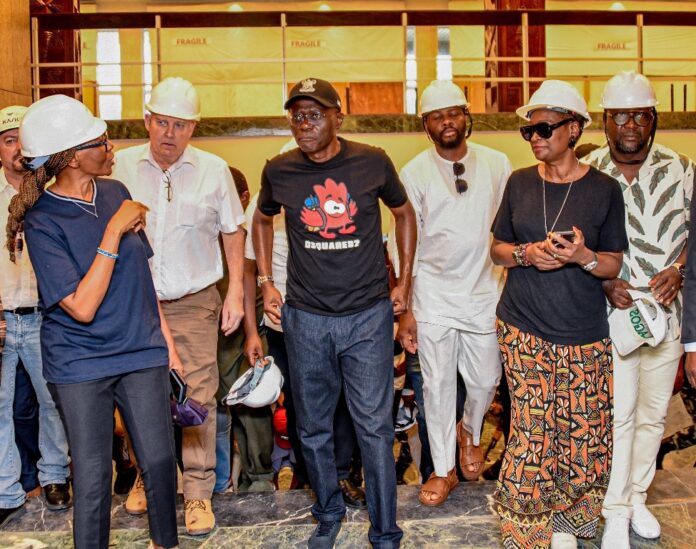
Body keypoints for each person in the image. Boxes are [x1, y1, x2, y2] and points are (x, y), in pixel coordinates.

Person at [5, 95, 179, 549]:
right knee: (94, 474)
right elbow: (81, 306)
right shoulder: (43, 221)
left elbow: (141, 278)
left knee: (160, 462)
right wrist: (114, 230)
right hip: (79, 361)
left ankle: (165, 543)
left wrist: (167, 343)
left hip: (140, 350)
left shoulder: (115, 192)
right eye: (100, 142)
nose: (110, 147)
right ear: (72, 156)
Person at [251, 77, 416, 548]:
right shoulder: (279, 170)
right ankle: (327, 511)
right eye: (297, 116)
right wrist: (266, 281)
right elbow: (261, 219)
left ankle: (385, 530)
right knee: (312, 426)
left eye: (315, 114)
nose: (304, 124)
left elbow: (404, 213)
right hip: (306, 319)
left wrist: (404, 281)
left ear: (338, 118)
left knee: (374, 427)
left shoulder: (372, 161)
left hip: (367, 316)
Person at [490, 80, 628, 549]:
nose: (535, 138)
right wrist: (526, 253)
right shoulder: (519, 183)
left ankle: (568, 525)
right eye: (529, 131)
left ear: (574, 128)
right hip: (523, 325)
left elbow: (612, 263)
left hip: (584, 330)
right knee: (533, 431)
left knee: (582, 434)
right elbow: (497, 249)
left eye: (544, 128)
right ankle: (527, 532)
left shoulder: (604, 190)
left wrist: (582, 256)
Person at [112, 76, 246, 535]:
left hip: (193, 302)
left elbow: (233, 231)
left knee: (198, 396)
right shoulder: (120, 167)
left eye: (181, 125)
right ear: (147, 120)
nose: (170, 133)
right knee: (138, 393)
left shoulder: (214, 170)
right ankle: (149, 477)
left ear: (194, 128)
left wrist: (235, 291)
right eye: (162, 122)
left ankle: (197, 491)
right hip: (133, 302)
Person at [582, 71, 695, 549]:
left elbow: (694, 239)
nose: (630, 125)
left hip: (668, 314)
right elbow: (576, 243)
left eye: (640, 116)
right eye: (620, 116)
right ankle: (613, 511)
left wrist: (680, 269)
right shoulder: (586, 170)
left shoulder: (683, 169)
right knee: (618, 415)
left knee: (653, 416)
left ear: (654, 119)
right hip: (610, 316)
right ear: (605, 120)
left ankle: (637, 498)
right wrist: (605, 279)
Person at [396, 80, 511, 506]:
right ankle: (443, 469)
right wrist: (406, 308)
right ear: (425, 125)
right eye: (436, 116)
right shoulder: (413, 172)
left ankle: (470, 430)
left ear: (467, 116)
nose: (446, 122)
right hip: (433, 295)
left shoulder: (497, 163)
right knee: (438, 385)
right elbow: (404, 244)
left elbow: (510, 226)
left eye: (453, 113)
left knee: (485, 379)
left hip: (485, 291)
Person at [0, 105, 72, 528]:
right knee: (1, 407)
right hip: (3, 318)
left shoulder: (52, 195)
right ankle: (6, 489)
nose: (17, 149)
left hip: (46, 316)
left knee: (53, 401)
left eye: (23, 142)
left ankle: (54, 476)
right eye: (9, 141)